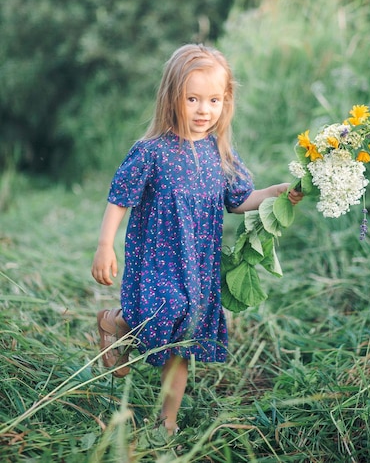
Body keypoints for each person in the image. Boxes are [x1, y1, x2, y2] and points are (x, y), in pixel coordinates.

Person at [91, 43, 302, 435]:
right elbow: (120, 197)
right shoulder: (151, 152)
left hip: (197, 264)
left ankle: (165, 423)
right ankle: (117, 322)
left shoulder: (220, 153)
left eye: (214, 100)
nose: (204, 110)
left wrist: (274, 192)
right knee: (160, 312)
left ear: (226, 101)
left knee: (181, 343)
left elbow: (238, 201)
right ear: (173, 98)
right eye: (193, 98)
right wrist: (105, 244)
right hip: (157, 257)